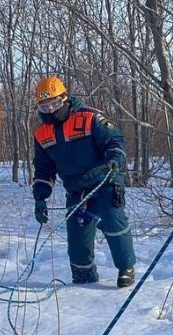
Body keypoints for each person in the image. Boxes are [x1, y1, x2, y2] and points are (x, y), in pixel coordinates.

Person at [30, 76, 136, 287]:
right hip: (76, 189)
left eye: (55, 103)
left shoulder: (89, 118)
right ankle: (83, 277)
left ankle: (126, 267)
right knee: (77, 235)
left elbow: (115, 140)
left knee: (113, 221)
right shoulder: (42, 133)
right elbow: (44, 169)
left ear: (65, 98)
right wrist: (40, 197)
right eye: (45, 106)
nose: (51, 109)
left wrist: (114, 160)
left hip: (105, 181)